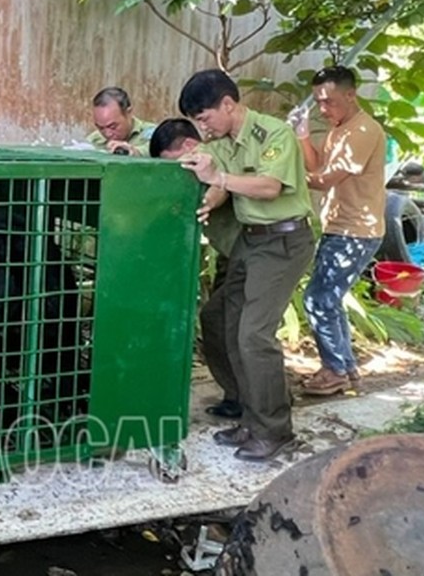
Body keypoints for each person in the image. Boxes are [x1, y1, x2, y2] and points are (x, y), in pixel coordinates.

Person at [177, 69, 315, 461]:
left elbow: (269, 187)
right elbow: (210, 175)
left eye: (204, 117)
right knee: (220, 320)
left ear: (228, 104)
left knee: (254, 335)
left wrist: (219, 176)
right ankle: (249, 413)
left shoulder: (273, 134)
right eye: (196, 121)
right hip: (250, 242)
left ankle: (275, 431)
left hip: (284, 241)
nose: (202, 126)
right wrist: (211, 194)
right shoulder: (222, 142)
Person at [291, 66, 386, 396]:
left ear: (351, 94)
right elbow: (317, 166)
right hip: (340, 227)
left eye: (329, 101)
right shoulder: (340, 129)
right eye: (318, 101)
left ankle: (335, 371)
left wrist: (280, 180)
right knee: (329, 300)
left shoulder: (362, 131)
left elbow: (325, 180)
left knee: (318, 300)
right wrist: (303, 136)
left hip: (356, 231)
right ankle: (344, 369)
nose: (322, 108)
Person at [150, 118, 242, 419]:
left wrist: (217, 190)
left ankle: (259, 401)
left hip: (253, 251)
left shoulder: (210, 156)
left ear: (189, 146)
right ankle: (243, 396)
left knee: (233, 326)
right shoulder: (199, 155)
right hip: (233, 253)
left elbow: (222, 183)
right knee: (226, 323)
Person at [87, 86, 155, 155]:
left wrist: (132, 151)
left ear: (128, 113)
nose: (107, 134)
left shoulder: (154, 134)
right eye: (101, 128)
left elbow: (155, 150)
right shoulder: (94, 139)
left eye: (113, 127)